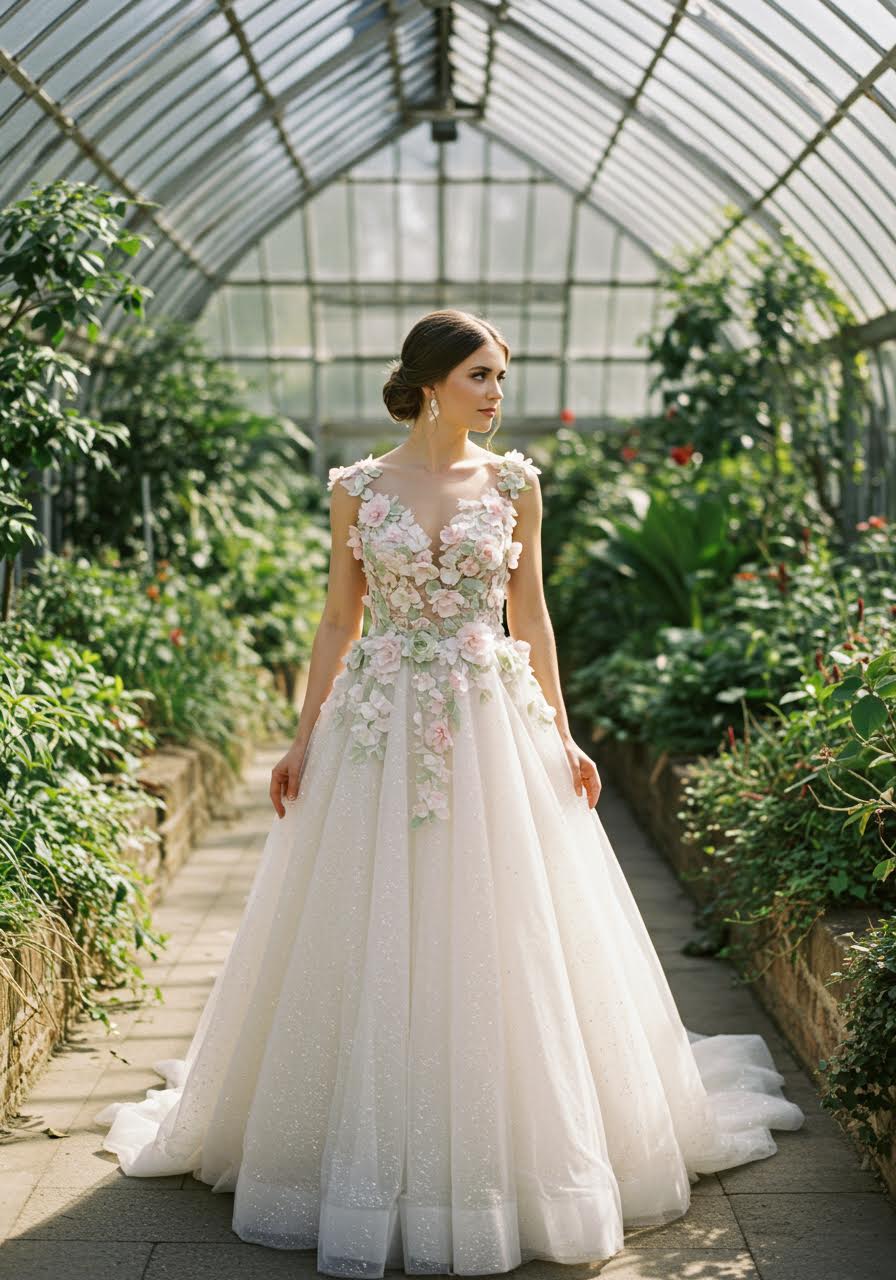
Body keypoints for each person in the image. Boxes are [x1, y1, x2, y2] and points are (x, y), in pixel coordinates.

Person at [95, 309, 805, 1277]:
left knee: (500, 929)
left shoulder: (514, 485)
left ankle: (511, 1149)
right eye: (481, 375)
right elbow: (338, 621)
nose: (496, 393)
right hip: (377, 727)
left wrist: (563, 732)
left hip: (488, 723)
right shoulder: (356, 491)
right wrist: (301, 741)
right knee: (368, 927)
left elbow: (533, 617)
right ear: (432, 381)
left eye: (498, 376)